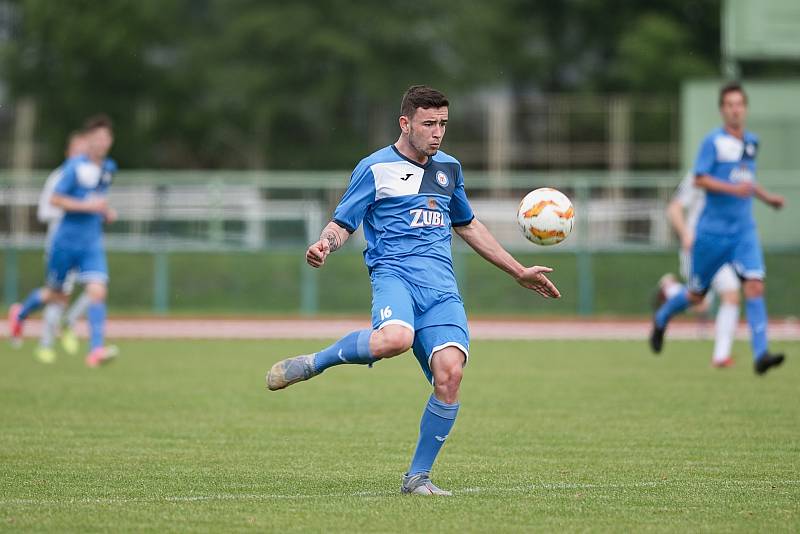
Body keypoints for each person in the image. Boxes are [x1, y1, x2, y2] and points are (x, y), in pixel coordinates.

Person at [265, 85, 560, 496]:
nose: (437, 133)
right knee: (396, 338)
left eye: (443, 124)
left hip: (441, 289)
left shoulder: (449, 169)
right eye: (429, 124)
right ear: (405, 123)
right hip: (395, 278)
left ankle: (417, 478)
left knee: (451, 374)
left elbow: (468, 224)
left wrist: (517, 271)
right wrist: (323, 245)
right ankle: (318, 361)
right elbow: (342, 223)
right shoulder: (375, 168)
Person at [650, 82, 785, 375]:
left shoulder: (751, 142)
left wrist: (767, 198)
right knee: (696, 296)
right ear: (723, 110)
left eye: (740, 104)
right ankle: (662, 317)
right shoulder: (713, 142)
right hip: (711, 235)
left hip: (743, 232)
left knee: (754, 285)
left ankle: (761, 353)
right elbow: (699, 179)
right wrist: (732, 189)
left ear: (745, 108)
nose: (735, 109)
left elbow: (745, 181)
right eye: (730, 105)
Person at [8, 114, 119, 367]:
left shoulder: (109, 168)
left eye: (106, 137)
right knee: (56, 296)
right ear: (89, 140)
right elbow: (55, 200)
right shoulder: (72, 169)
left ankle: (96, 350)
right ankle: (21, 313)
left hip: (91, 243)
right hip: (65, 242)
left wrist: (105, 212)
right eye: (97, 138)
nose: (101, 142)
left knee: (97, 291)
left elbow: (98, 199)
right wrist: (88, 206)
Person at [656, 170, 741, 368]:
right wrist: (686, 234)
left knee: (732, 295)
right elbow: (674, 209)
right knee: (699, 304)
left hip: (720, 248)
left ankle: (721, 356)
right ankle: (670, 291)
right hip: (697, 248)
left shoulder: (734, 175)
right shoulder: (698, 175)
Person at [30, 130, 92, 363]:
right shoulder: (58, 177)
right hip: (60, 246)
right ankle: (45, 343)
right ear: (68, 152)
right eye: (77, 150)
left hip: (84, 244)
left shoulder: (89, 178)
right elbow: (44, 212)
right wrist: (73, 208)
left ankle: (69, 322)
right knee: (58, 295)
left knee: (96, 286)